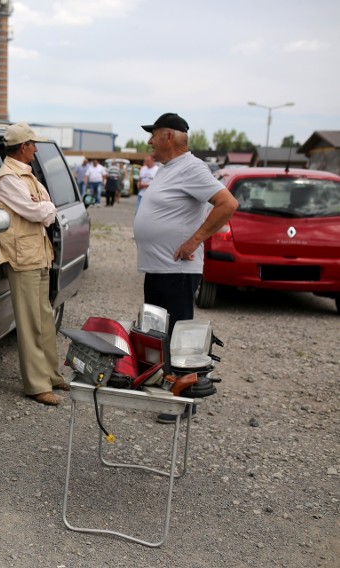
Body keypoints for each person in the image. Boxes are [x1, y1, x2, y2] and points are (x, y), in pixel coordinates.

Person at [133, 112, 238, 423]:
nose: (149, 140)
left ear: (168, 136)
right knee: (160, 334)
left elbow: (228, 204)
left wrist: (195, 241)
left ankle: (184, 401)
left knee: (179, 337)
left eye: (153, 134)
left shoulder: (192, 167)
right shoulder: (169, 169)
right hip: (160, 268)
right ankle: (167, 391)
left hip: (177, 270)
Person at [0, 123, 70, 406]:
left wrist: (43, 208)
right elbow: (39, 212)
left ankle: (51, 374)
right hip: (22, 258)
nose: (36, 149)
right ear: (23, 147)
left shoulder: (25, 176)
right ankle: (36, 385)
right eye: (33, 144)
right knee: (29, 322)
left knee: (44, 318)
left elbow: (45, 207)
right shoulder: (8, 179)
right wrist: (44, 208)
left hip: (37, 253)